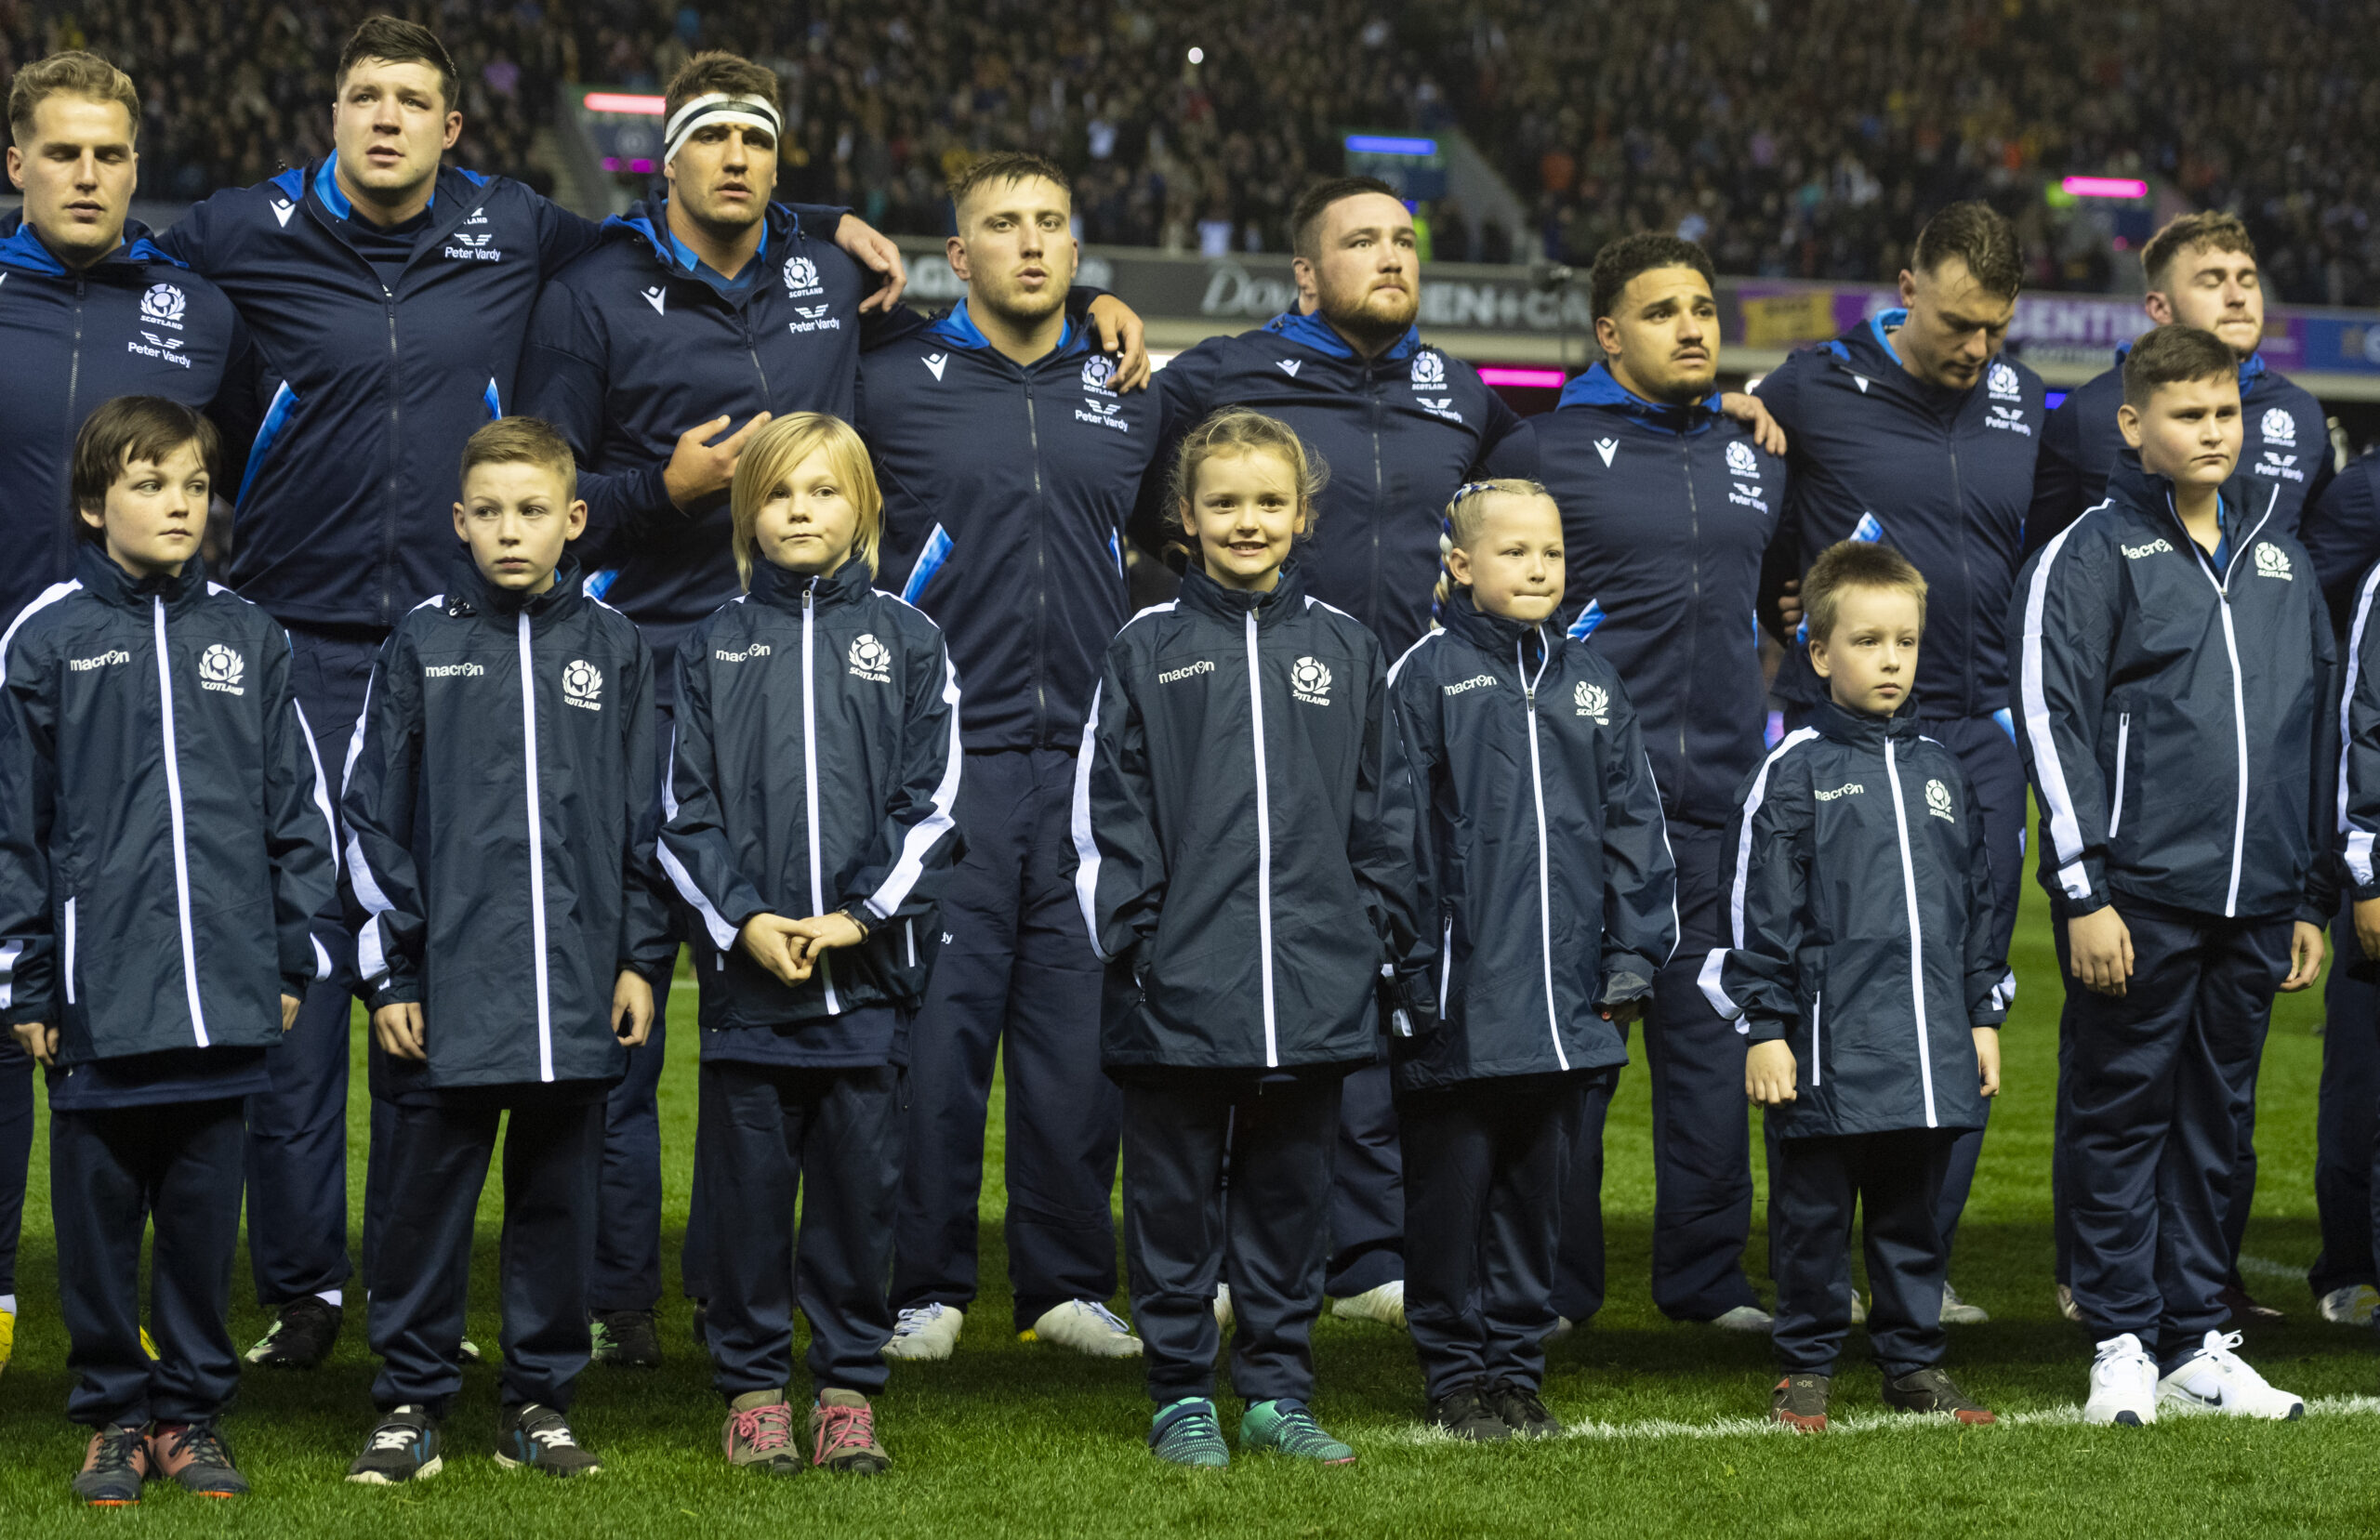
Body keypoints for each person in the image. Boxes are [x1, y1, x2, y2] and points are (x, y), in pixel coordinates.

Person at [150, 17, 906, 1368]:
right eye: (365, 96)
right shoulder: (243, 229)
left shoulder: (526, 231)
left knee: (606, 967)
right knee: (329, 963)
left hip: (524, 643)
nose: (388, 119)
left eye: (415, 101)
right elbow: (108, 257)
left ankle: (607, 1301)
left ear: (457, 127)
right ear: (333, 112)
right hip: (317, 642)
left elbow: (696, 199)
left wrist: (836, 219)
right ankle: (314, 1287)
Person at [517, 58, 1135, 1362]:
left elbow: (980, 309)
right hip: (651, 675)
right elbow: (550, 491)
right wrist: (666, 489)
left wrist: (1093, 300)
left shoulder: (832, 287)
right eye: (710, 138)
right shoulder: (591, 289)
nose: (736, 157)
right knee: (629, 998)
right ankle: (617, 1296)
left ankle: (857, 1287)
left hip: (822, 689)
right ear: (663, 159)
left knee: (828, 1009)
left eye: (758, 138)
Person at [859, 151, 1175, 1361]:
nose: (1031, 242)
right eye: (1004, 223)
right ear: (960, 254)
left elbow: (1169, 530)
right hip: (949, 756)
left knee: (1074, 1041)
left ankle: (1062, 1283)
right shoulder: (892, 380)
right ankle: (922, 1284)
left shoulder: (1134, 385)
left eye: (1051, 223)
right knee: (939, 1035)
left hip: (1092, 759)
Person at [0, 396, 338, 1502]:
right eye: (150, 484)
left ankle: (189, 1413)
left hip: (228, 994)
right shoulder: (43, 637)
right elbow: (12, 827)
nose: (178, 504)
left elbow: (300, 814)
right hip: (99, 998)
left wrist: (290, 959)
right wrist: (27, 977)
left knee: (201, 1220)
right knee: (97, 1221)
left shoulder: (250, 634)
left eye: (194, 484)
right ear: (97, 503)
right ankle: (109, 1412)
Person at [1076, 408, 1422, 1467]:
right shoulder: (1147, 647)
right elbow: (1104, 812)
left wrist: (1366, 935)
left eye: (1269, 501)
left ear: (1302, 514)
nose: (1247, 520)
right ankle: (1180, 1393)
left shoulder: (1346, 646)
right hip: (1174, 994)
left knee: (1288, 1204)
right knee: (1174, 1208)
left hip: (1312, 988)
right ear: (1185, 516)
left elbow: (1387, 811)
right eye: (1223, 501)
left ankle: (1276, 1391)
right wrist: (1140, 943)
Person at [338, 418, 675, 1483]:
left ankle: (538, 1399)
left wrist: (638, 960)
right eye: (489, 511)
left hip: (577, 986)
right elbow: (369, 820)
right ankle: (409, 1400)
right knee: (423, 1204)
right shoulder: (421, 642)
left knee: (554, 1204)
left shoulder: (614, 645)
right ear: (459, 523)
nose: (511, 530)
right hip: (447, 989)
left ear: (574, 520)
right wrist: (389, 970)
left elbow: (646, 824)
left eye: (533, 510)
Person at [2012, 323, 2329, 1425]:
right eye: (2188, 415)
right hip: (2138, 898)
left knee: (2217, 1121)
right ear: (2132, 425)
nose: (2211, 432)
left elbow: (2313, 725)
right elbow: (2052, 728)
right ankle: (2117, 1340)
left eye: (2226, 413)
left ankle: (2197, 1335)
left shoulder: (2281, 554)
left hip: (2257, 899)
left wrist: (2307, 892)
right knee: (2121, 1113)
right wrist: (2084, 890)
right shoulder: (2089, 551)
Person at [0, 48, 257, 1378]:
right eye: (62, 152)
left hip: (134, 687)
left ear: (136, 168)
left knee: (86, 996)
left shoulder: (199, 312)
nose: (87, 175)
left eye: (109, 155)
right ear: (17, 163)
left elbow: (242, 471)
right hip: (11, 684)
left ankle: (152, 1322)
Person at [1755, 201, 2042, 1321]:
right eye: (1961, 323)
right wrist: (1788, 622)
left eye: (1996, 332)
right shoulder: (1806, 385)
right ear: (1906, 282)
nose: (1977, 351)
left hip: (1975, 732)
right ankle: (1815, 1278)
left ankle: (1917, 1272)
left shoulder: (2019, 401)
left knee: (1966, 980)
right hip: (1836, 734)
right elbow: (1744, 527)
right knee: (1831, 968)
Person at [660, 415, 961, 1477]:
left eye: (824, 492)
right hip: (751, 994)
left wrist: (857, 916)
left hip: (869, 986)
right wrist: (746, 919)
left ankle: (844, 1390)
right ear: (749, 513)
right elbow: (678, 810)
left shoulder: (910, 643)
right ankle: (750, 1391)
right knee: (744, 1210)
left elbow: (932, 807)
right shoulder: (708, 643)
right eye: (780, 493)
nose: (800, 510)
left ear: (863, 512)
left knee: (855, 1204)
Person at [1527, 231, 1786, 1335]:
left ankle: (1704, 1278)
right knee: (1572, 1059)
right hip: (1586, 810)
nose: (1691, 327)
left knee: (1710, 1055)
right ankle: (1552, 1287)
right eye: (1661, 311)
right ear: (1606, 335)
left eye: (1702, 309)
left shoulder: (1755, 454)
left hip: (1720, 804)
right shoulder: (1538, 448)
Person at [1387, 479, 1675, 1441]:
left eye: (1549, 551)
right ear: (1459, 566)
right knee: (1449, 1202)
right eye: (1513, 552)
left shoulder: (1592, 681)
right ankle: (1453, 1376)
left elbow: (1637, 824)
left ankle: (1515, 1369)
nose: (1537, 567)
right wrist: (1409, 974)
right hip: (1459, 1008)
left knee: (1534, 1203)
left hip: (1569, 1006)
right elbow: (1392, 841)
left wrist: (1632, 953)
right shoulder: (1422, 678)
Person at [1711, 539, 2003, 1433]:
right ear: (1820, 652)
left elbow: (1976, 907)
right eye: (1869, 642)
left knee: (1915, 1220)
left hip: (1928, 1046)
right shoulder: (1792, 771)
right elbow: (1756, 915)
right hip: (1827, 1051)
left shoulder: (1944, 771)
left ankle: (1913, 1364)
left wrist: (1983, 1013)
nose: (1890, 660)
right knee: (1813, 1219)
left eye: (1905, 642)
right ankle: (1805, 1367)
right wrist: (1765, 1026)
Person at [2029, 212, 2333, 555]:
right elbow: (2044, 559)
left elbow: (2313, 565)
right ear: (2160, 307)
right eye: (2212, 281)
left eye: (2247, 280)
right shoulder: (2089, 414)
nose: (2238, 297)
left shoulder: (2303, 415)